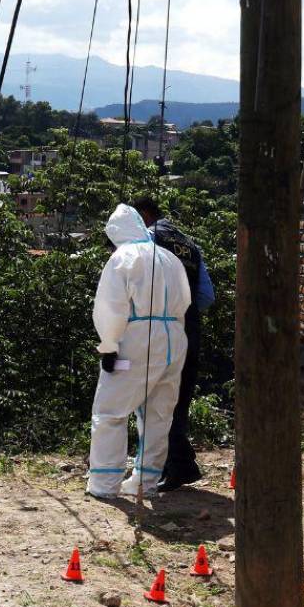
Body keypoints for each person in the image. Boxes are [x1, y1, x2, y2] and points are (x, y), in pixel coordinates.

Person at [88, 203, 192, 499]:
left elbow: (111, 306)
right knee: (158, 414)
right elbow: (185, 301)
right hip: (174, 338)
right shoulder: (171, 258)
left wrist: (109, 345)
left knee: (110, 410)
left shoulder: (123, 258)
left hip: (136, 340)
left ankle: (104, 484)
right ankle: (145, 482)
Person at [134, 196, 215, 492]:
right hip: (189, 329)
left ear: (142, 215)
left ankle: (177, 465)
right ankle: (179, 463)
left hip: (158, 329)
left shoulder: (148, 239)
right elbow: (207, 297)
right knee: (178, 399)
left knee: (153, 399)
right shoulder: (191, 245)